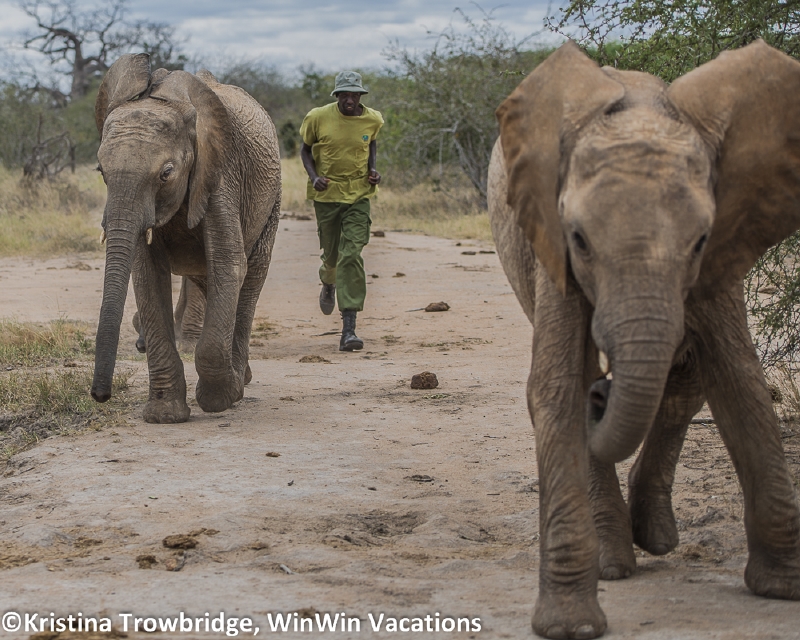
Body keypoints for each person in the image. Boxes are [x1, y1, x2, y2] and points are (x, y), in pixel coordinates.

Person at [300, 71, 384, 351]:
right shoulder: (317, 117)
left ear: (361, 96)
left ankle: (349, 329)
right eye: (344, 95)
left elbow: (371, 142)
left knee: (351, 255)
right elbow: (305, 150)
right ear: (336, 96)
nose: (349, 100)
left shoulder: (373, 119)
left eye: (354, 95)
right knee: (333, 257)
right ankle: (329, 282)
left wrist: (373, 169)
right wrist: (314, 177)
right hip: (327, 196)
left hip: (359, 194)